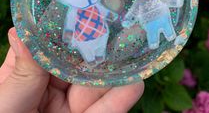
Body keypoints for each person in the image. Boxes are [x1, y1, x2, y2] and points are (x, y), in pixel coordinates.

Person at [0, 28, 144, 113]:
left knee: (99, 52)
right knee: (90, 51)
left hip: (98, 35)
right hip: (84, 40)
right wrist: (68, 36)